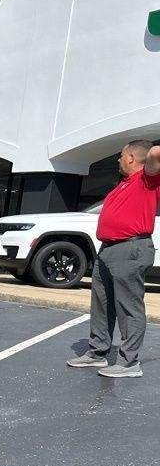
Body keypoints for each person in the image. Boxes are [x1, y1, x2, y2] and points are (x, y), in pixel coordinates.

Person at [67, 141, 160, 377]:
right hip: (108, 249)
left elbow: (156, 153)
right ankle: (97, 353)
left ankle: (130, 363)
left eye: (120, 156)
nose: (117, 160)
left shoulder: (147, 180)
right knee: (102, 303)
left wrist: (148, 153)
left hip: (130, 249)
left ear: (131, 158)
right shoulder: (124, 184)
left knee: (128, 306)